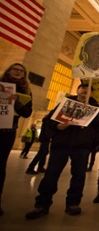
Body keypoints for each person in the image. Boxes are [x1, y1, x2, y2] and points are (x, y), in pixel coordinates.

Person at [25, 83, 99, 219]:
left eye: (89, 88)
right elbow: (49, 119)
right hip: (61, 144)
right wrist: (58, 126)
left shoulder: (95, 107)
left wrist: (94, 110)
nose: (85, 90)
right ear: (77, 90)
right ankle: (42, 204)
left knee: (78, 176)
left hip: (82, 146)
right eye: (82, 87)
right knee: (51, 175)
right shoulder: (66, 103)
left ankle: (73, 203)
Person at [0, 63, 33, 216]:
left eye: (22, 71)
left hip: (7, 131)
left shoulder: (25, 90)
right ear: (9, 70)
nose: (19, 72)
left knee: (0, 167)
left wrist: (16, 102)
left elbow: (27, 113)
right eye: (16, 69)